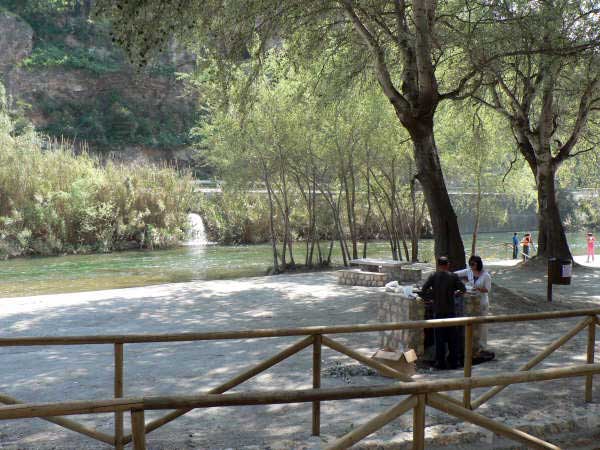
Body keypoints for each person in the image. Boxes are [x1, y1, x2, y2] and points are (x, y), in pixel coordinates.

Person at [421, 256, 466, 370]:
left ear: (438, 265)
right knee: (453, 337)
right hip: (450, 311)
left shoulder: (433, 276)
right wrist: (455, 295)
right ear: (447, 265)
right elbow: (463, 289)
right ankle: (454, 361)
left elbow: (423, 290)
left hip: (438, 311)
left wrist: (432, 297)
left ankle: (440, 362)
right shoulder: (453, 276)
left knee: (439, 338)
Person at [455, 255, 492, 349]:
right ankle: (473, 344)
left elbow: (487, 289)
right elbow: (456, 274)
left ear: (478, 264)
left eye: (473, 264)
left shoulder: (486, 276)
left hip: (482, 301)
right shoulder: (469, 271)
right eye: (470, 264)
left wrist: (477, 288)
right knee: (473, 324)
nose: (471, 266)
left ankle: (483, 345)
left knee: (482, 324)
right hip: (472, 301)